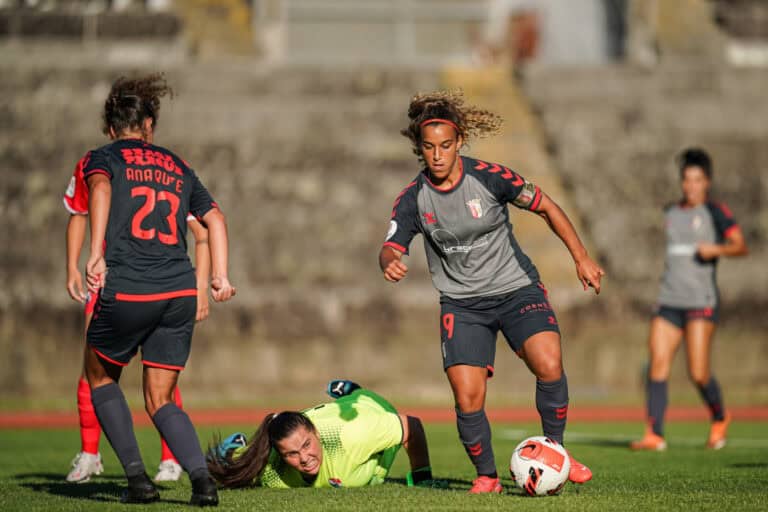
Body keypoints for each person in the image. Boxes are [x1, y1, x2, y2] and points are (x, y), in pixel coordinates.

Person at [379, 90, 604, 494]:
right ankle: (486, 476)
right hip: (463, 304)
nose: (437, 155)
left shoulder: (489, 176)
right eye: (428, 147)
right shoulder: (414, 199)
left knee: (548, 361)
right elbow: (390, 245)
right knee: (467, 395)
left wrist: (581, 257)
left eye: (445, 146)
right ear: (420, 148)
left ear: (459, 141)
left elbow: (547, 206)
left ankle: (557, 455)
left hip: (517, 288)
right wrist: (389, 261)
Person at [81, 73, 236, 506]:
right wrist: (218, 277)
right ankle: (203, 482)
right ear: (149, 126)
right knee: (161, 398)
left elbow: (99, 188)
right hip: (179, 292)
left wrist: (95, 253)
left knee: (99, 374)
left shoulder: (103, 158)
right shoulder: (178, 165)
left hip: (131, 285)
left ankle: (137, 481)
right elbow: (216, 221)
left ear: (112, 128)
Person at [63, 155, 211, 483]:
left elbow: (93, 197)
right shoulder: (168, 166)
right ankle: (93, 454)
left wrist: (85, 261)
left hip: (123, 281)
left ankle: (159, 464)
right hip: (158, 285)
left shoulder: (101, 161)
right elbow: (79, 211)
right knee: (155, 384)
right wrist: (208, 282)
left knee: (100, 373)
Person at [630, 148, 748, 451]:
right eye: (686, 180)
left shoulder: (716, 212)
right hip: (669, 300)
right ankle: (654, 434)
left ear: (707, 182)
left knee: (698, 372)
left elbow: (740, 246)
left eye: (697, 180)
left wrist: (716, 250)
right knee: (657, 364)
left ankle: (720, 416)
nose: (690, 186)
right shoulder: (670, 212)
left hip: (701, 302)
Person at [207, 380, 441, 489]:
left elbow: (413, 426)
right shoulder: (274, 473)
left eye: (307, 445)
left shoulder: (354, 435)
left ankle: (351, 391)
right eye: (292, 454)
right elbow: (237, 472)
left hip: (368, 409)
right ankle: (238, 443)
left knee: (357, 402)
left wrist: (422, 477)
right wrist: (228, 457)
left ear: (315, 434)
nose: (305, 457)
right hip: (316, 419)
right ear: (280, 455)